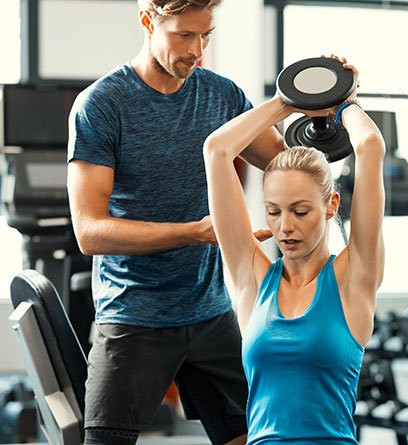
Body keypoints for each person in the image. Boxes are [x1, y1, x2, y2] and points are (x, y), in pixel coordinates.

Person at [66, 0, 284, 443]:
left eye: (206, 35)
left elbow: (287, 163)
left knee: (263, 435)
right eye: (184, 35)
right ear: (147, 22)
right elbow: (89, 232)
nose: (197, 50)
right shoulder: (101, 105)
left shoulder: (222, 96)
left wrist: (323, 106)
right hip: (134, 315)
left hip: (211, 310)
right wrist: (198, 232)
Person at [203, 56, 385, 444]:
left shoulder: (355, 278)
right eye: (273, 212)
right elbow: (217, 150)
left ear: (331, 206)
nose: (285, 227)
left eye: (301, 211)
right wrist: (288, 98)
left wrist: (344, 99)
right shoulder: (250, 280)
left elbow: (369, 146)